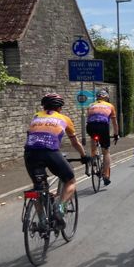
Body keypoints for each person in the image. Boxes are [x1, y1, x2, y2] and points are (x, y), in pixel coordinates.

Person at [24, 93, 89, 229]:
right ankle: (59, 209)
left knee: (38, 187)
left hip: (30, 153)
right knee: (70, 181)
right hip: (50, 152)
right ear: (59, 108)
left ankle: (42, 221)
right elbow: (75, 142)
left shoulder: (36, 116)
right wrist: (83, 155)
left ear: (44, 106)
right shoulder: (64, 119)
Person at [86, 89, 119, 186]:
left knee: (93, 139)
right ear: (107, 98)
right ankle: (105, 175)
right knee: (106, 151)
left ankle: (93, 159)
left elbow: (89, 118)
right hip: (103, 126)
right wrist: (116, 134)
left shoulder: (91, 105)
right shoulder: (110, 106)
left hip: (91, 126)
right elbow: (114, 122)